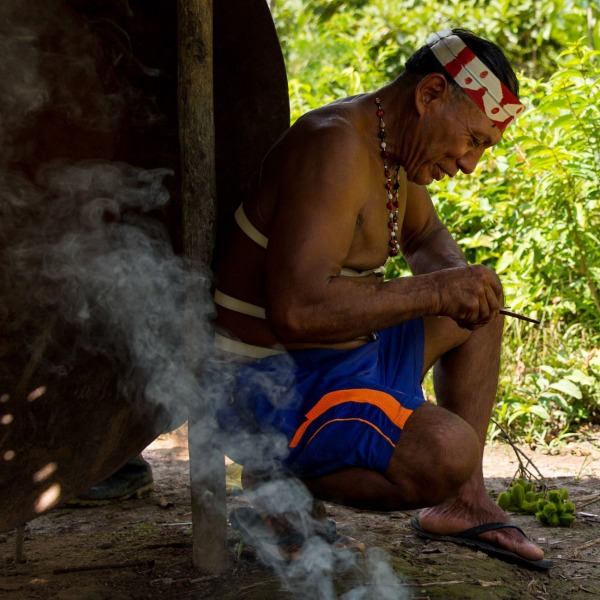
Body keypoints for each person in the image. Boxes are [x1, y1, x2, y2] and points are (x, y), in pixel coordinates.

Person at [213, 28, 551, 569]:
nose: (470, 164)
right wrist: (437, 290)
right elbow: (297, 312)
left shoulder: (392, 148)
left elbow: (427, 239)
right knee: (445, 449)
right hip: (269, 384)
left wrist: (455, 286)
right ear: (430, 95)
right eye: (474, 140)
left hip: (342, 359)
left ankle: (464, 503)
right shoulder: (336, 146)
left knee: (480, 308)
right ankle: (274, 492)